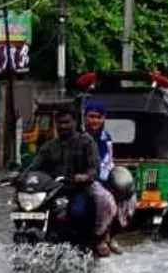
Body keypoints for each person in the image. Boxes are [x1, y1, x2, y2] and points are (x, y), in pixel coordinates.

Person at [27, 110, 109, 256]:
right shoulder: (49, 146)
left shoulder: (86, 142)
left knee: (78, 212)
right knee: (31, 212)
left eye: (66, 122)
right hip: (53, 192)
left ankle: (89, 244)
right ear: (55, 124)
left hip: (78, 190)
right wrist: (19, 176)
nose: (63, 126)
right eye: (60, 123)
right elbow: (35, 167)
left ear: (75, 123)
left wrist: (84, 177)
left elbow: (94, 168)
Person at [82, 101, 125, 254]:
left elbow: (108, 160)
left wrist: (107, 178)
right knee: (104, 198)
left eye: (98, 117)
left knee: (125, 194)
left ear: (103, 118)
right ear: (85, 117)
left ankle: (110, 235)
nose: (94, 121)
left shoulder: (106, 138)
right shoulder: (79, 136)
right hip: (82, 178)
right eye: (90, 116)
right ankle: (99, 238)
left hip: (102, 176)